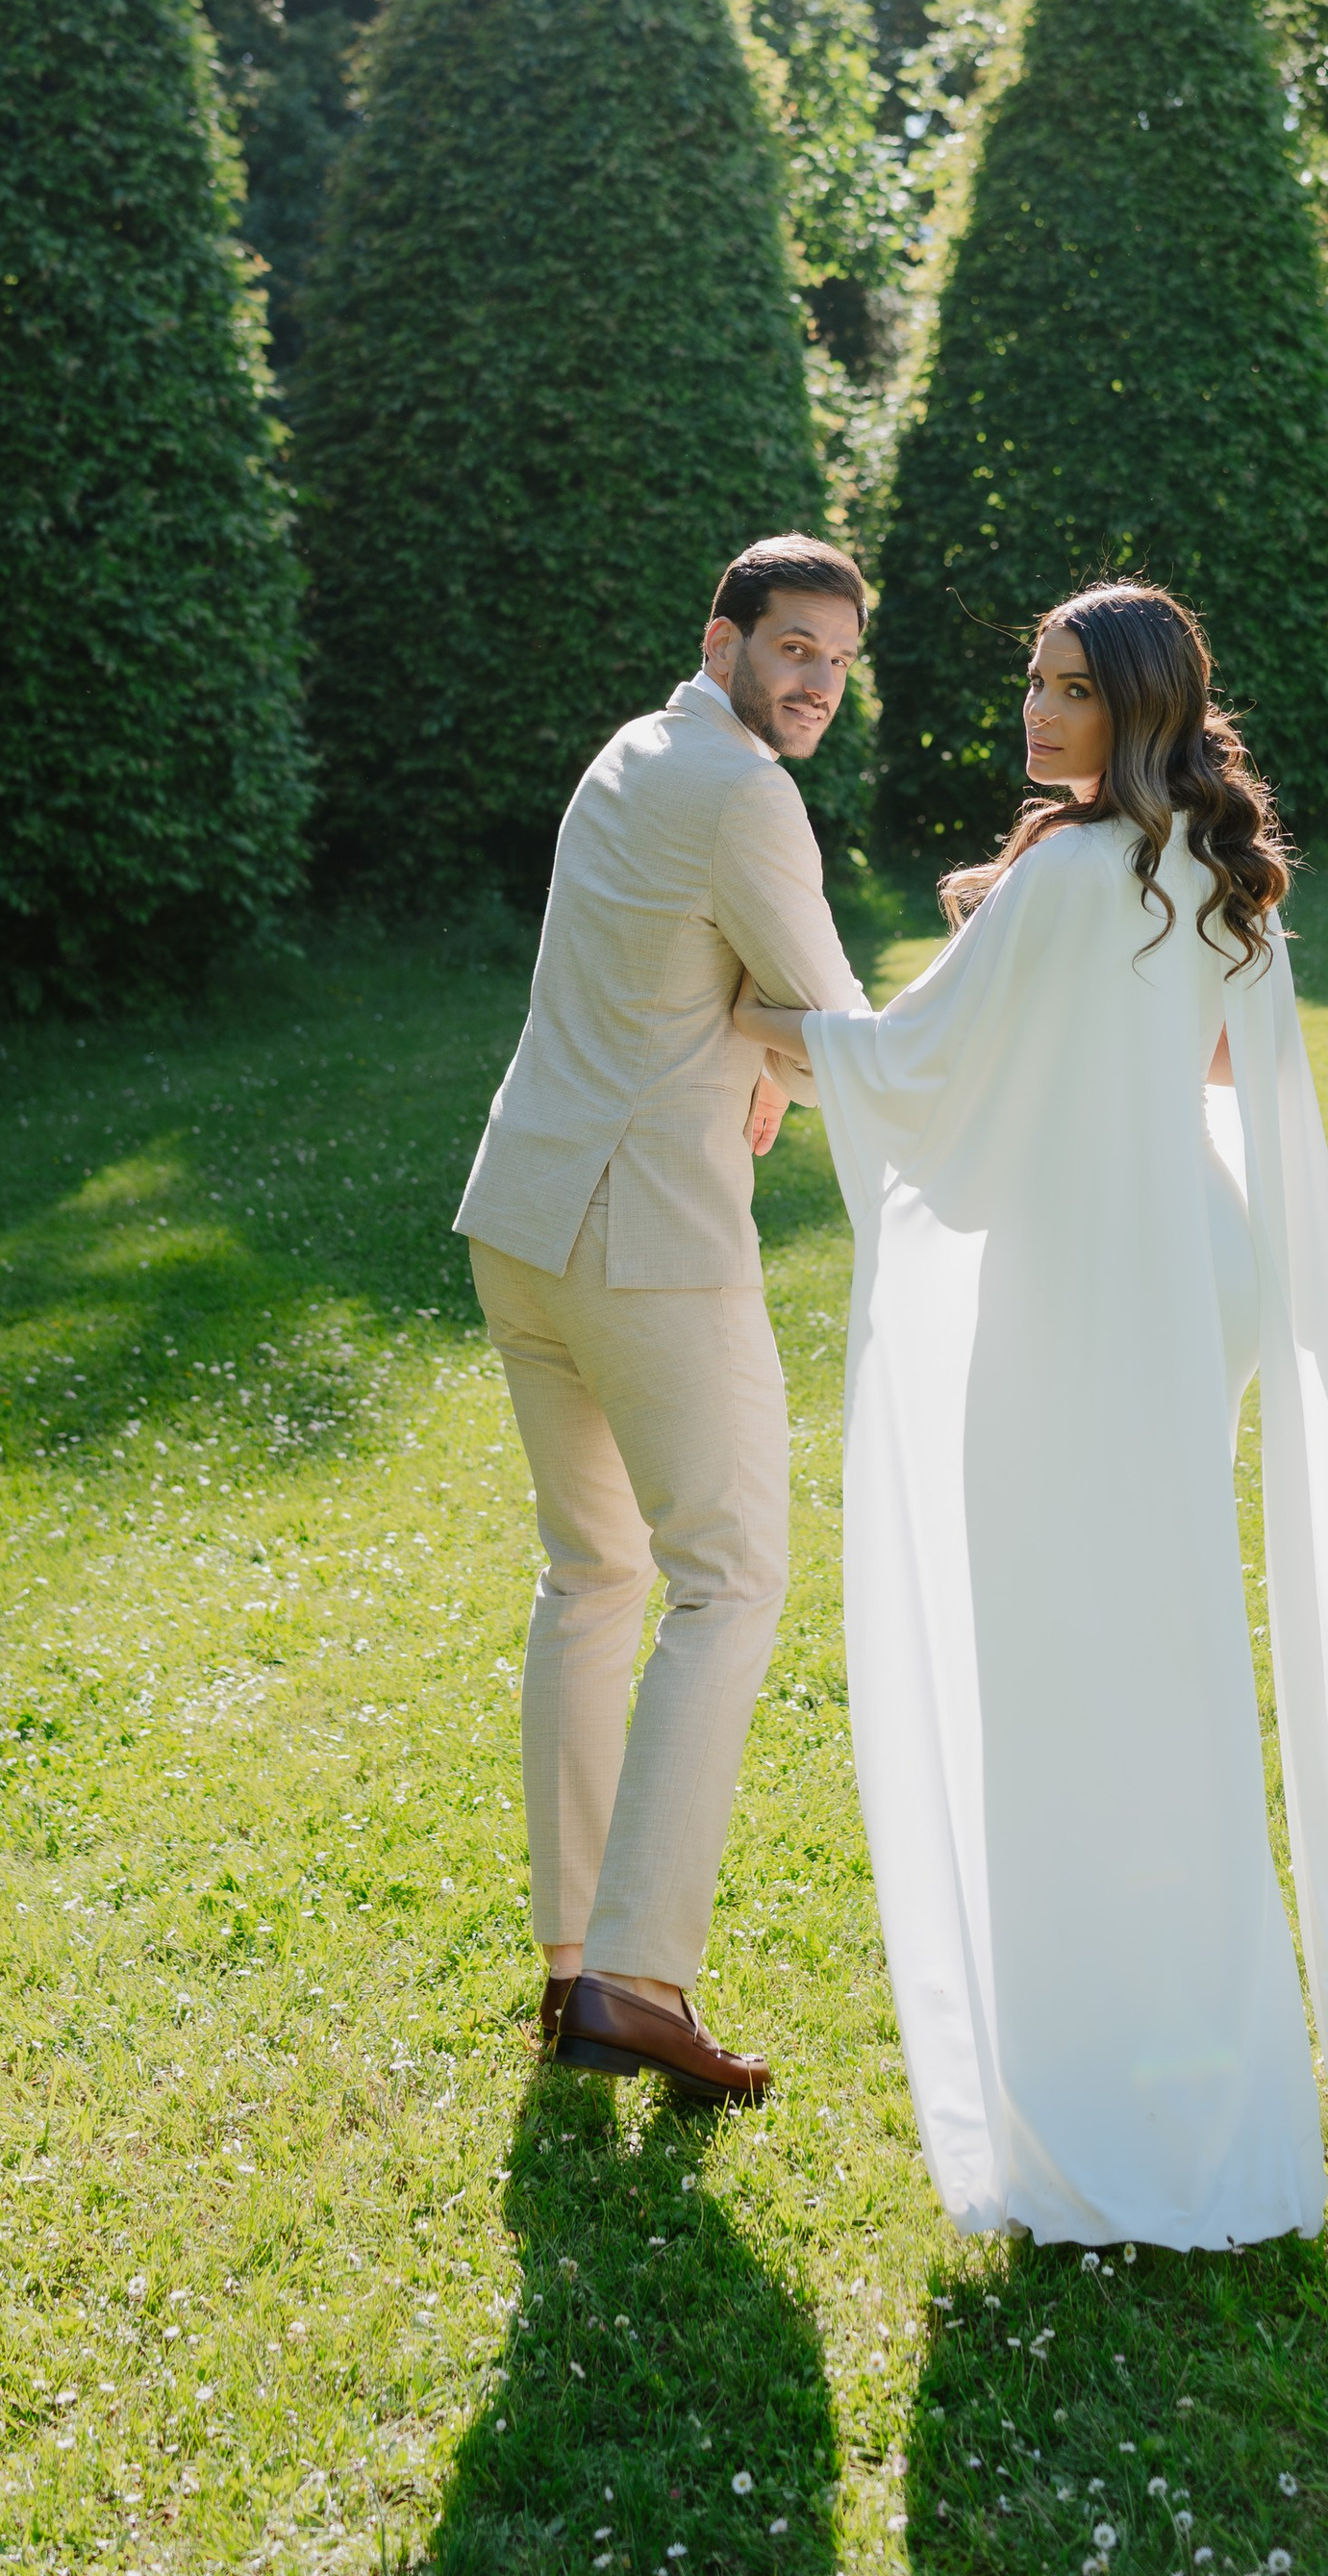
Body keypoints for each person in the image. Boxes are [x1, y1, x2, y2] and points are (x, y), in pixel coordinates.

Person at [734, 582, 1328, 2245]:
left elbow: (910, 1066)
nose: (1040, 714)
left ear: (1144, 706)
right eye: (1035, 683)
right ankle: (1196, 2051)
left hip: (1084, 1292)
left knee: (1063, 1663)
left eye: (1073, 689)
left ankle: (1101, 2095)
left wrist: (739, 1025)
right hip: (1190, 1273)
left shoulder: (1071, 871)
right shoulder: (1209, 863)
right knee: (1163, 1648)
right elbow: (1215, 1065)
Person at [456, 535, 868, 2107]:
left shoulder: (632, 749)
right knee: (730, 1576)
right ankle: (637, 1978)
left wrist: (743, 1046)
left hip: (524, 1219)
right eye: (792, 647)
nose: (816, 677)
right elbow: (836, 1029)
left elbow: (661, 979)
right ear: (725, 634)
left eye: (838, 655)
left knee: (595, 1571)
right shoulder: (746, 792)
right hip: (644, 1246)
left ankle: (574, 1962)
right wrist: (781, 1046)